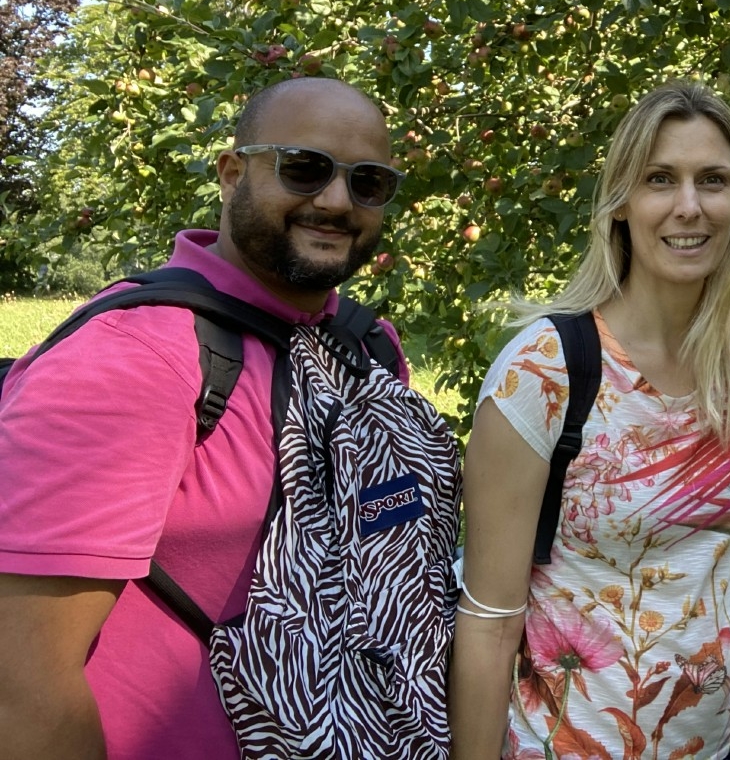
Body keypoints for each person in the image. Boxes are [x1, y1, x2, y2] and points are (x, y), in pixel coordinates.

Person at [0, 77, 422, 760]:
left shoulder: (368, 349)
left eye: (369, 182)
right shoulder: (132, 361)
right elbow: (22, 687)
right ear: (231, 173)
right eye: (304, 168)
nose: (338, 200)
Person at [450, 81, 730, 760]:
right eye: (659, 179)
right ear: (621, 203)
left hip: (713, 746)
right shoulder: (546, 370)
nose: (688, 206)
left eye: (713, 181)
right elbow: (488, 619)